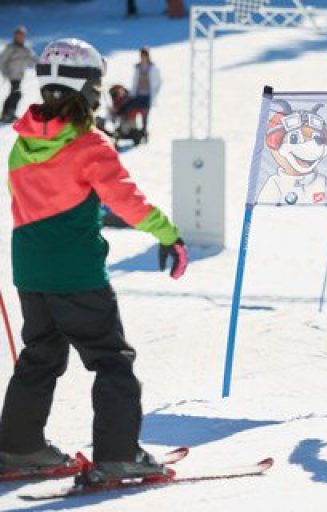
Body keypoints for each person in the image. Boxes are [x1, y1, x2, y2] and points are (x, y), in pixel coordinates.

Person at [0, 38, 188, 483]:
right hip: (77, 274)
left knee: (41, 355)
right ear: (86, 89)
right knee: (111, 359)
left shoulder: (21, 145)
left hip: (31, 273)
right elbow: (127, 201)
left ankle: (18, 446)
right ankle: (118, 454)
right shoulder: (89, 145)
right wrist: (169, 235)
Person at [0, 26, 37, 124]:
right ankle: (9, 114)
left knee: (15, 93)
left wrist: (42, 65)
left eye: (21, 36)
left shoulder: (25, 49)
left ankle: (7, 114)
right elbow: (2, 60)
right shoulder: (11, 48)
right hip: (12, 74)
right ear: (15, 36)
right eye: (18, 35)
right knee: (16, 93)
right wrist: (5, 72)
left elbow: (32, 60)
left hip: (19, 75)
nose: (19, 37)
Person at [128, 47, 161, 134]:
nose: (142, 57)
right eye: (141, 56)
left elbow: (158, 81)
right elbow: (134, 81)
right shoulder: (138, 67)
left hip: (147, 96)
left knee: (144, 115)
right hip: (138, 94)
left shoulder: (153, 68)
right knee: (133, 111)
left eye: (144, 55)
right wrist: (132, 93)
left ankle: (144, 132)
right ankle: (135, 131)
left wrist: (155, 93)